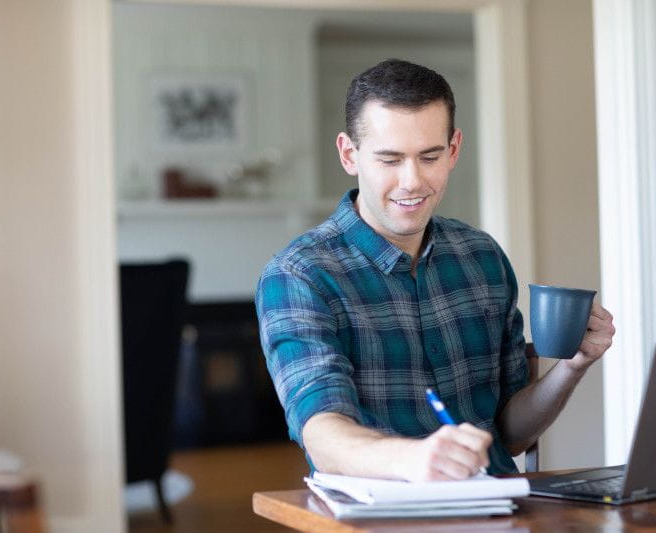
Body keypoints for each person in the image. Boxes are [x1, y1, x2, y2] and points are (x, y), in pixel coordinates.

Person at [256, 59, 615, 482]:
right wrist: (414, 460)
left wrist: (573, 366)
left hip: (497, 506)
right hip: (382, 516)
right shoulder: (300, 275)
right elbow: (321, 433)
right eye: (390, 160)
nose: (412, 181)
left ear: (454, 149)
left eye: (430, 157)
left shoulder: (482, 257)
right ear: (349, 155)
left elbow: (509, 436)